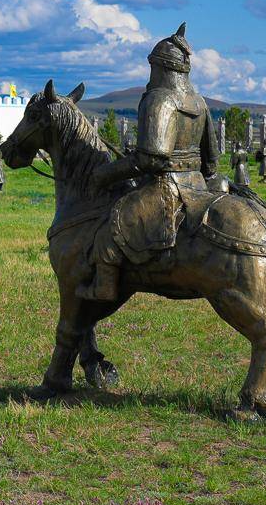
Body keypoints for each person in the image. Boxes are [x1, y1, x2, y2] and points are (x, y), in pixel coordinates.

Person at [84, 24, 218, 311]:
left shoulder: (159, 99)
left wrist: (106, 173)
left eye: (153, 67)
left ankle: (104, 287)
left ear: (160, 67)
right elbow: (212, 158)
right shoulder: (200, 102)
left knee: (111, 231)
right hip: (197, 185)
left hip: (165, 187)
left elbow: (152, 159)